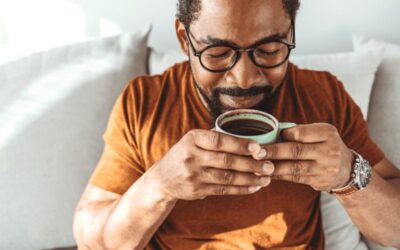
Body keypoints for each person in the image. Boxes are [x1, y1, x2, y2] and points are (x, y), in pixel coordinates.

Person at [73, 0, 400, 249]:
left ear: (291, 34)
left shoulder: (323, 96)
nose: (244, 78)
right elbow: (92, 238)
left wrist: (349, 173)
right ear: (185, 40)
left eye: (269, 50)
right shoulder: (144, 103)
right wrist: (160, 185)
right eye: (217, 53)